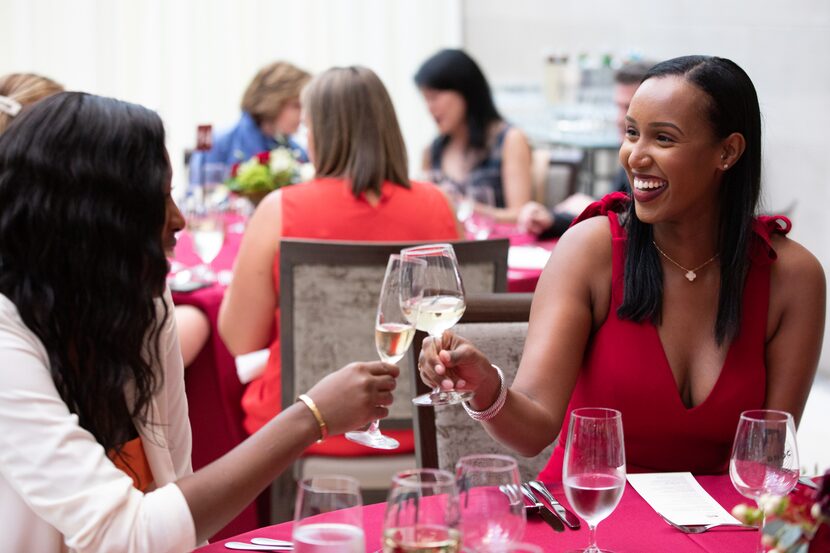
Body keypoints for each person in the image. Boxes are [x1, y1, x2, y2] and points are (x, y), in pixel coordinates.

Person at [0, 92, 399, 552]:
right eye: (157, 198)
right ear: (91, 217)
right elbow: (127, 533)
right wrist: (310, 417)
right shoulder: (10, 338)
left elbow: (177, 490)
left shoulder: (144, 305)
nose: (179, 220)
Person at [418, 56, 825, 482]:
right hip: (593, 518)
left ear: (728, 151)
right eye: (632, 133)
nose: (634, 156)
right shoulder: (590, 251)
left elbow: (768, 461)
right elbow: (533, 429)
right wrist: (486, 386)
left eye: (663, 139)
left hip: (719, 532)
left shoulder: (792, 278)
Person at [219, 65, 463, 437]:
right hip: (422, 428)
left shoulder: (279, 210)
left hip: (300, 427)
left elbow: (239, 338)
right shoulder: (438, 205)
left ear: (320, 134)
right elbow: (460, 325)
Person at [517, 60, 658, 238]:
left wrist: (593, 208)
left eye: (629, 107)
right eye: (619, 107)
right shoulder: (629, 160)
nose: (620, 119)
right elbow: (618, 210)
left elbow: (639, 227)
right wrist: (550, 219)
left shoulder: (654, 166)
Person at [415, 48, 533, 223]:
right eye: (425, 99)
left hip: (498, 247)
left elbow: (521, 215)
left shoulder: (509, 139)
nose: (429, 108)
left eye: (434, 97)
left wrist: (463, 207)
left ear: (465, 92)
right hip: (448, 248)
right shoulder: (432, 151)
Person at [188, 61, 311, 180]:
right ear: (272, 101)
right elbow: (197, 196)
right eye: (296, 106)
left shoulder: (299, 153)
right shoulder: (217, 144)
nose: (302, 116)